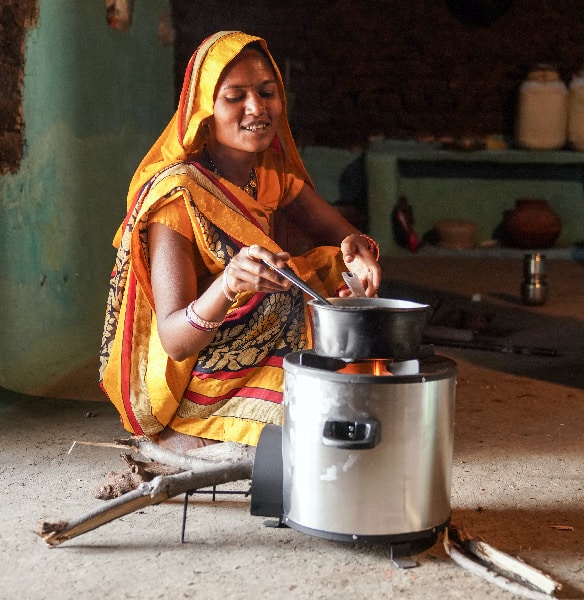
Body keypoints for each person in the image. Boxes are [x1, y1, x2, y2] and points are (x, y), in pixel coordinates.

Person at [99, 31, 381, 453]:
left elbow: (342, 239)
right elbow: (175, 340)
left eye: (268, 92)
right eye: (235, 97)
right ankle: (197, 421)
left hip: (262, 345)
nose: (257, 108)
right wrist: (229, 284)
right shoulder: (177, 198)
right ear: (204, 111)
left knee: (326, 272)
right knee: (281, 298)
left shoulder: (268, 173)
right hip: (200, 363)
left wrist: (358, 249)